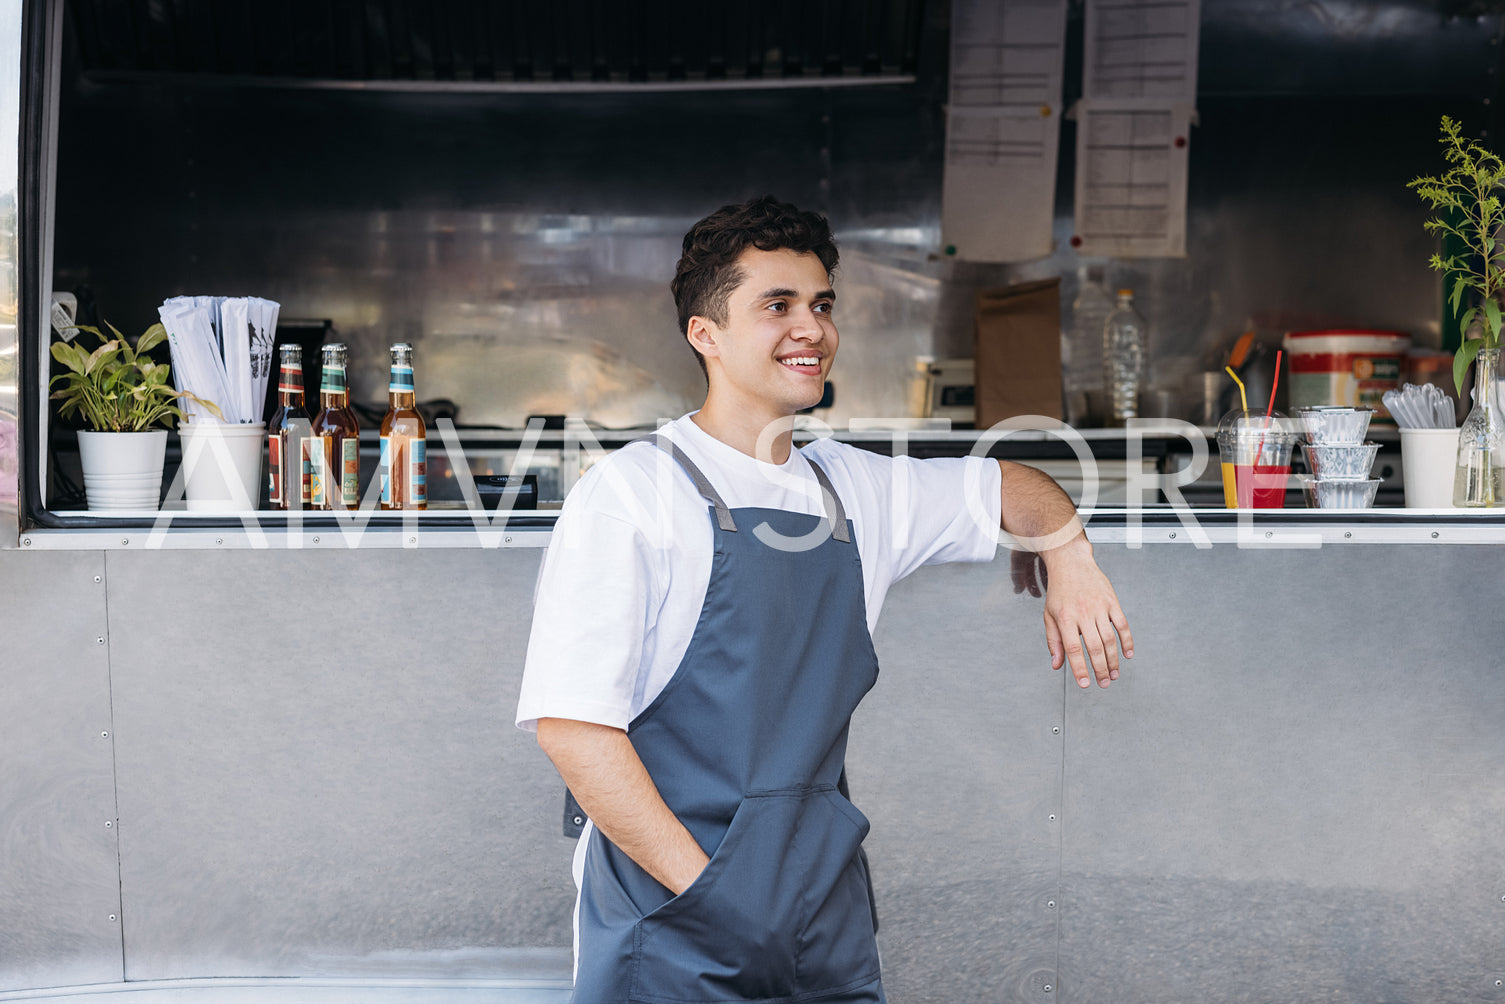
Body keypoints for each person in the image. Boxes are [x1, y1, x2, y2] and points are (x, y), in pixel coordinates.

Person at [515, 195, 1132, 1002]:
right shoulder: (632, 494)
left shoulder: (852, 486)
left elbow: (1016, 486)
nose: (810, 327)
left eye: (821, 304)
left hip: (821, 907)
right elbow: (574, 731)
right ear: (705, 334)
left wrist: (1066, 548)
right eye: (776, 305)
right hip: (677, 910)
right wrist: (710, 895)